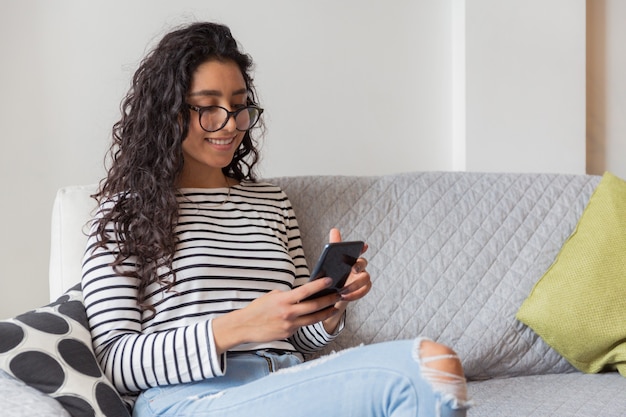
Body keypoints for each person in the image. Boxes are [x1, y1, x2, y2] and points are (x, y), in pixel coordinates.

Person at [81, 21, 470, 417]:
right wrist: (240, 326)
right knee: (428, 366)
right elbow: (114, 361)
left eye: (238, 106)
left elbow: (298, 338)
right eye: (209, 107)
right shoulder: (122, 213)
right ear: (169, 112)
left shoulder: (272, 202)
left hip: (287, 382)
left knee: (430, 369)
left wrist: (331, 307)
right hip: (188, 399)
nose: (231, 124)